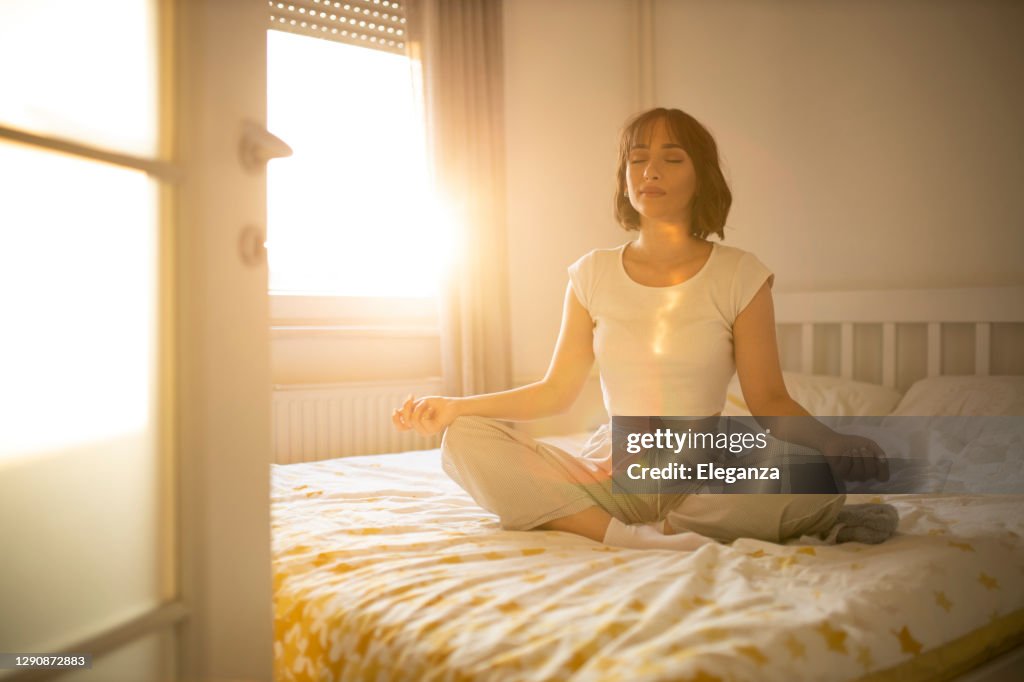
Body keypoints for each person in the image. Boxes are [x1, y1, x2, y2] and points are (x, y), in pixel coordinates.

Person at [392, 107, 899, 551]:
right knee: (463, 440)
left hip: (703, 474)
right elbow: (555, 392)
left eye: (671, 158)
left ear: (700, 176)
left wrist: (832, 442)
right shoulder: (590, 274)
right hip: (609, 470)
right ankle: (622, 534)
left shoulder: (741, 275)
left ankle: (642, 522)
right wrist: (456, 408)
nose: (650, 170)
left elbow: (769, 399)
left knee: (821, 481)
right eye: (637, 158)